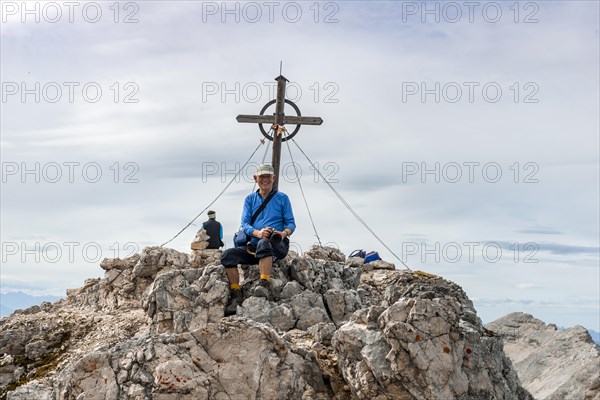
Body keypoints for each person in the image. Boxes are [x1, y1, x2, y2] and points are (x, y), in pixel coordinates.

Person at [221, 163, 296, 315]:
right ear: (256, 179)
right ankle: (236, 293)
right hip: (253, 246)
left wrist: (282, 233)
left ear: (273, 178)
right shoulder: (250, 199)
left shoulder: (282, 198)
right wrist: (258, 233)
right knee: (228, 255)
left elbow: (291, 223)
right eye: (262, 177)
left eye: (268, 176)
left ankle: (264, 284)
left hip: (277, 244)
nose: (265, 180)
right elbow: (245, 224)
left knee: (264, 243)